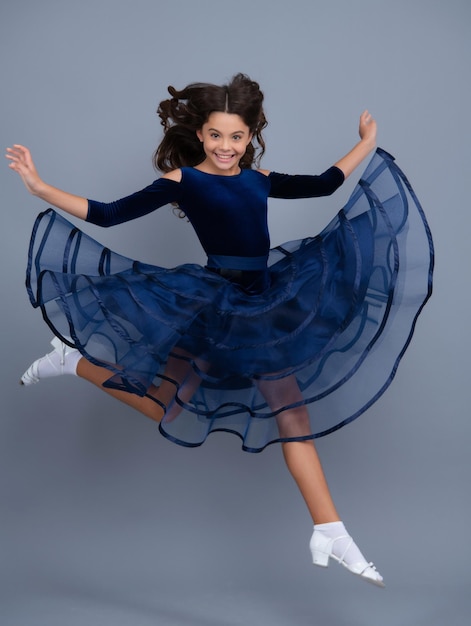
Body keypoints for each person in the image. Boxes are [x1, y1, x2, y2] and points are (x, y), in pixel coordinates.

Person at [5, 74, 434, 588]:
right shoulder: (183, 181)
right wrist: (39, 186)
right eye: (215, 136)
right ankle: (73, 362)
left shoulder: (260, 179)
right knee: (169, 407)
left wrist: (366, 143)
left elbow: (326, 183)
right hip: (216, 304)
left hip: (267, 298)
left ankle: (328, 528)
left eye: (236, 137)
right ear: (201, 135)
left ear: (251, 134)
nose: (226, 147)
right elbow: (110, 214)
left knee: (286, 410)